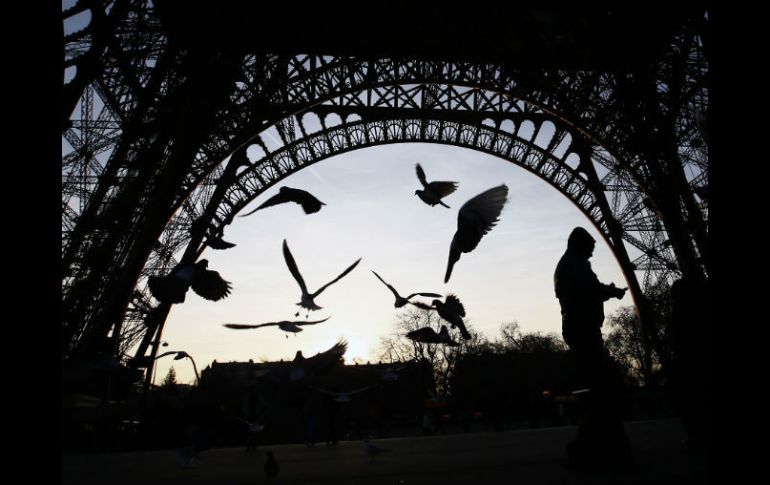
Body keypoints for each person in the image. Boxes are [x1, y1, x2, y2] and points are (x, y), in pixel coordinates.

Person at [554, 227, 633, 470]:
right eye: (590, 248)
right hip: (582, 327)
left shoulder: (570, 263)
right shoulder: (575, 264)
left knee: (597, 387)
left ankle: (590, 445)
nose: (592, 253)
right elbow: (591, 289)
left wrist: (606, 290)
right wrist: (611, 292)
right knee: (600, 386)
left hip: (578, 326)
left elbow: (589, 288)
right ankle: (595, 446)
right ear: (581, 245)